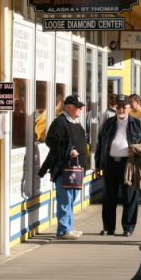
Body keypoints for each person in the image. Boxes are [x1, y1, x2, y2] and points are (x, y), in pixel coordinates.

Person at [96, 94, 141, 236]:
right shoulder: (108, 123)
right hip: (110, 163)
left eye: (124, 107)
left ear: (129, 108)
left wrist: (137, 149)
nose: (121, 110)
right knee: (108, 198)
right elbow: (100, 144)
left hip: (129, 165)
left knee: (130, 197)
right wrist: (97, 164)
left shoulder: (137, 124)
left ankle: (128, 227)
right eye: (118, 107)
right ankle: (108, 227)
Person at [39, 94, 87, 240]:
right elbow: (50, 141)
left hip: (76, 169)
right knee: (65, 199)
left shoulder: (76, 122)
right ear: (67, 107)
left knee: (71, 199)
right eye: (77, 106)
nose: (80, 109)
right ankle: (63, 230)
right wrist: (69, 151)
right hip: (64, 168)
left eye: (80, 106)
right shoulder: (60, 122)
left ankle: (69, 227)